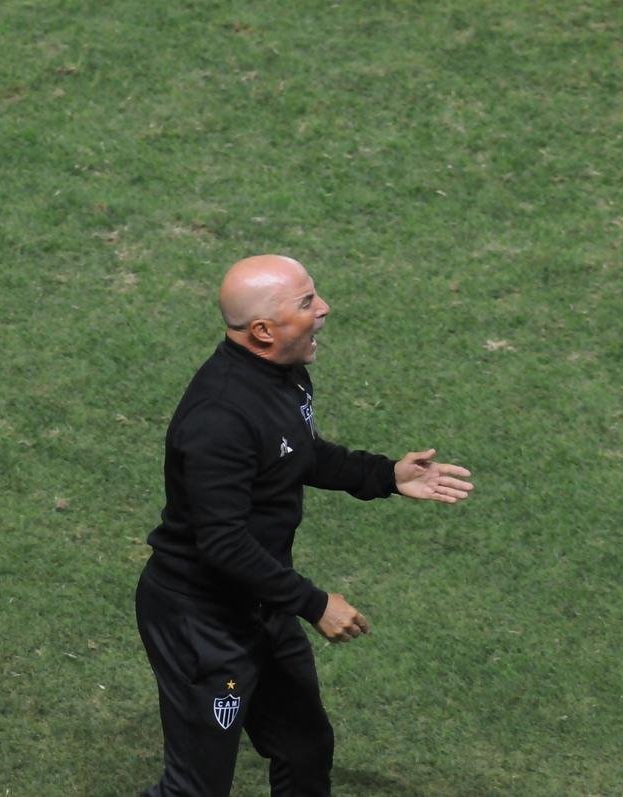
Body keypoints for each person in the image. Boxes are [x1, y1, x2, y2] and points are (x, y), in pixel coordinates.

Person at [135, 254, 474, 796]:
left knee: (305, 748)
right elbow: (223, 543)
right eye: (307, 302)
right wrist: (314, 604)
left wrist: (386, 474)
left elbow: (298, 453)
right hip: (201, 622)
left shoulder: (283, 376)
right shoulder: (219, 418)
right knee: (195, 788)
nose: (324, 309)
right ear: (263, 331)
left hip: (259, 603)